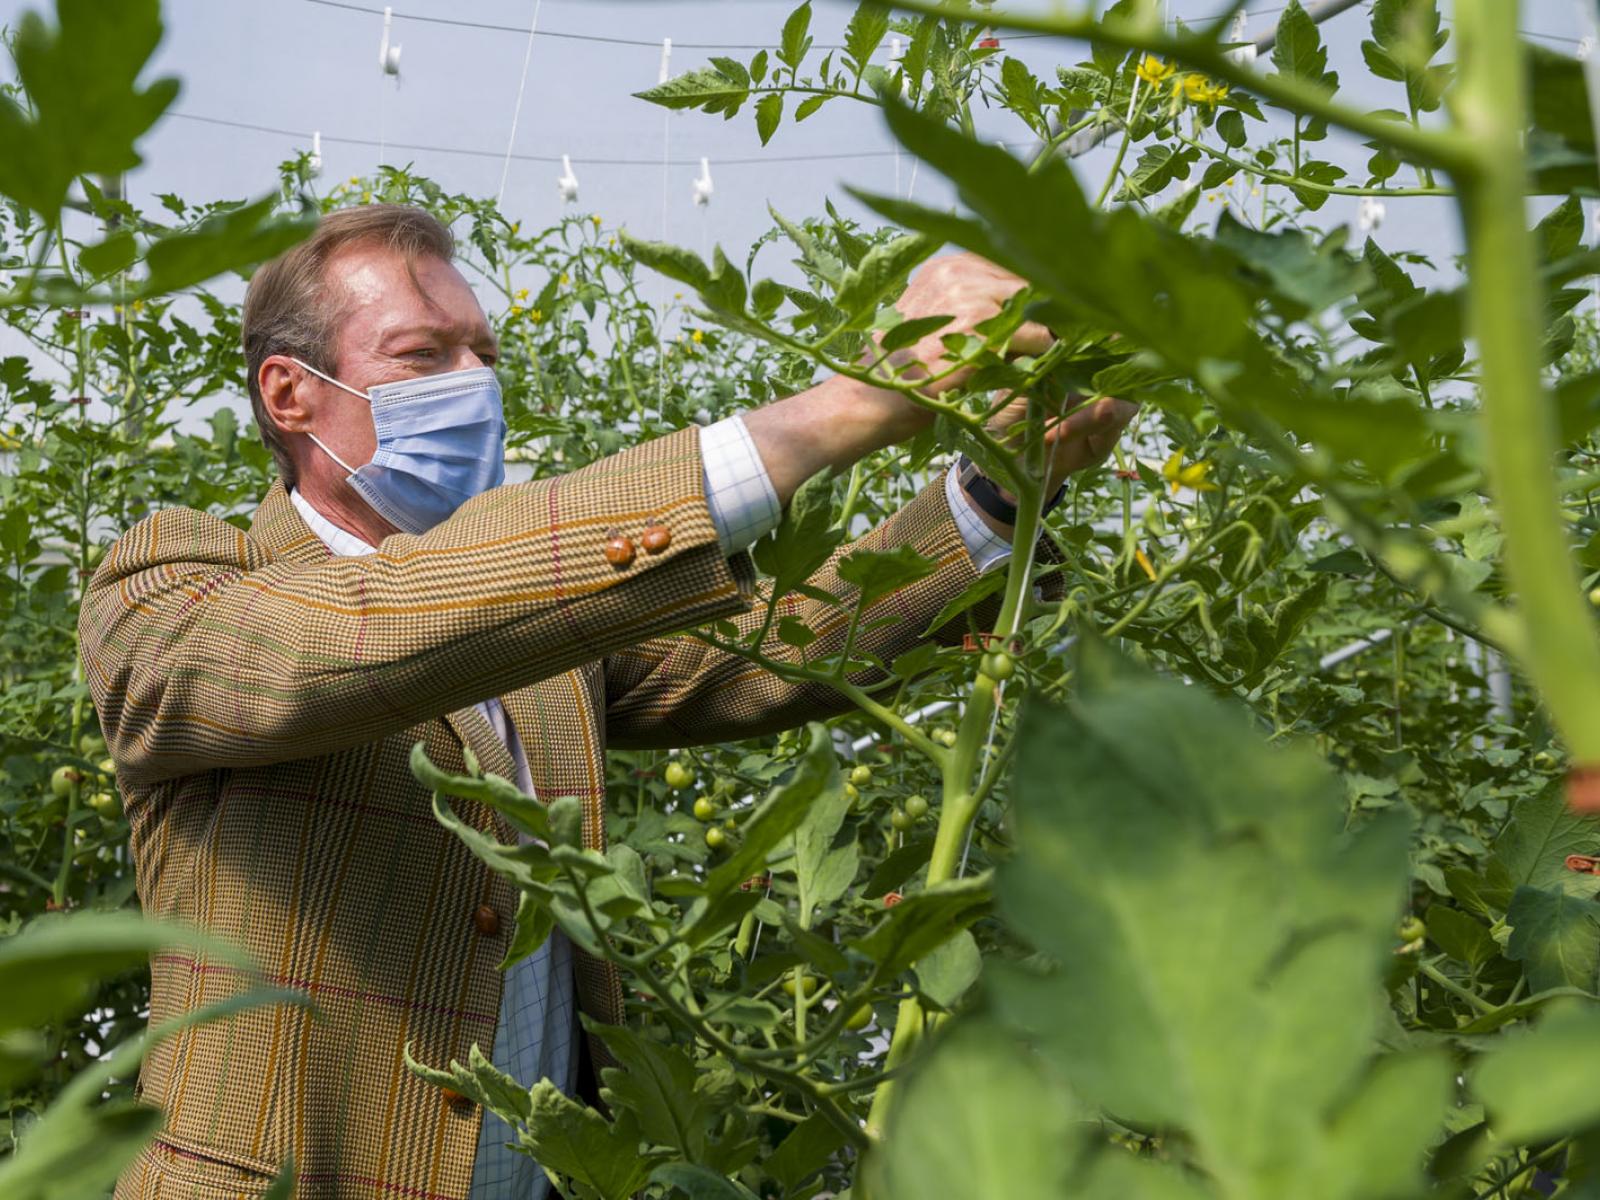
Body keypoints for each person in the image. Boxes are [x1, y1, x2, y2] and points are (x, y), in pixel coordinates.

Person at [81, 204, 1133, 1199]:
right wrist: (847, 404)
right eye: (423, 355)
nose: (472, 382)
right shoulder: (175, 593)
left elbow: (769, 656)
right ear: (287, 392)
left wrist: (997, 493)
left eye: (483, 354)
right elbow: (362, 631)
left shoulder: (539, 619)